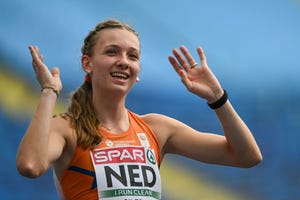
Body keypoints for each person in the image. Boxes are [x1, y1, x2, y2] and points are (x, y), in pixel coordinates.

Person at [16, 19, 262, 200]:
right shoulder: (67, 127)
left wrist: (217, 98)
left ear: (138, 72)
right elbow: (30, 166)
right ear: (87, 63)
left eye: (132, 56)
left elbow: (246, 156)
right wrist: (49, 92)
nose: (123, 60)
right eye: (111, 51)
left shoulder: (158, 128)